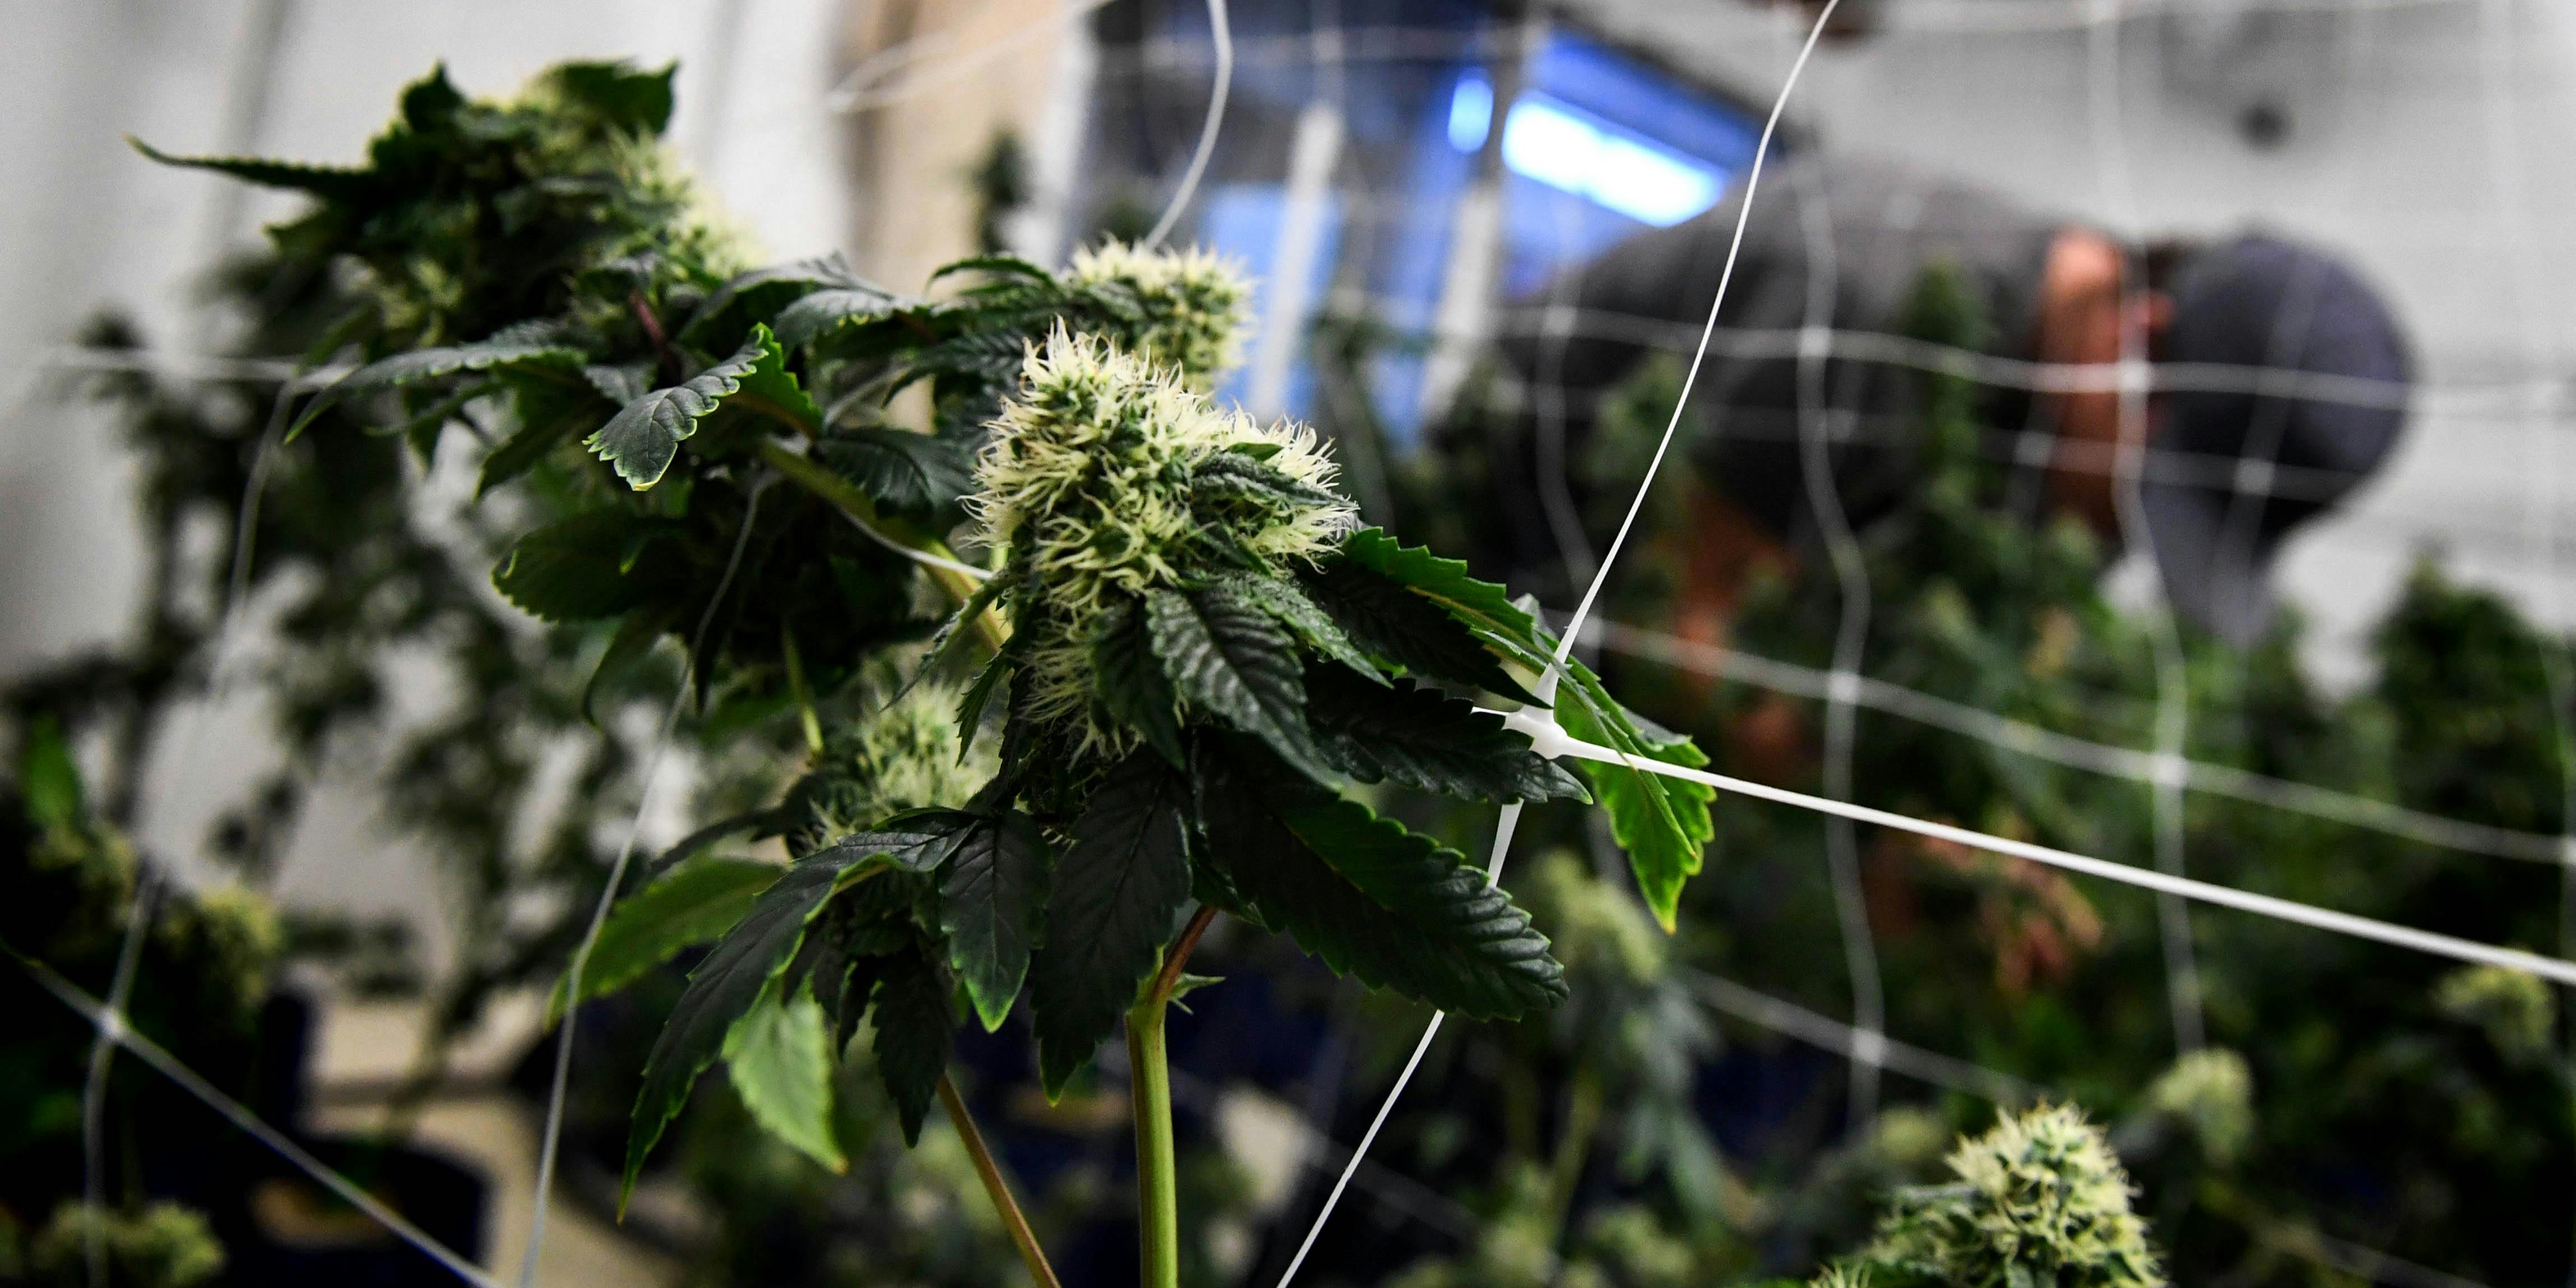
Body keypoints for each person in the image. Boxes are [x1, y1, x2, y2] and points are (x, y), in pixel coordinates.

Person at [1489, 151, 2412, 647]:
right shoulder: (1872, 311)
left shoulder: (2057, 412)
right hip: (1492, 555)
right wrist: (1903, 861)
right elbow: (1688, 629)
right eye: (2145, 498)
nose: (2117, 537)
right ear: (2138, 341)